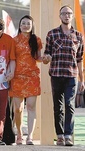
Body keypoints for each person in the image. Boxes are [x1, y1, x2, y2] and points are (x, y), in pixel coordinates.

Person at [42, 5, 84, 146]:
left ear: (72, 16)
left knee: (69, 105)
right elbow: (47, 53)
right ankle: (59, 135)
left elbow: (79, 59)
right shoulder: (52, 34)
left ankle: (68, 135)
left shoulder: (78, 36)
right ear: (60, 16)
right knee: (58, 106)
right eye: (64, 13)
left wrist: (82, 79)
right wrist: (47, 57)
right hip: (56, 74)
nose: (67, 16)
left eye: (69, 13)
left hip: (72, 75)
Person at [9, 15, 43, 145]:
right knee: (18, 108)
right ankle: (19, 132)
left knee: (31, 107)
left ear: (32, 25)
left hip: (32, 76)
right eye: (23, 23)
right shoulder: (14, 40)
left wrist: (45, 58)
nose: (25, 25)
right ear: (19, 25)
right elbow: (12, 58)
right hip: (17, 77)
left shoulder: (36, 40)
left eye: (28, 23)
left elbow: (38, 57)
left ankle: (30, 136)